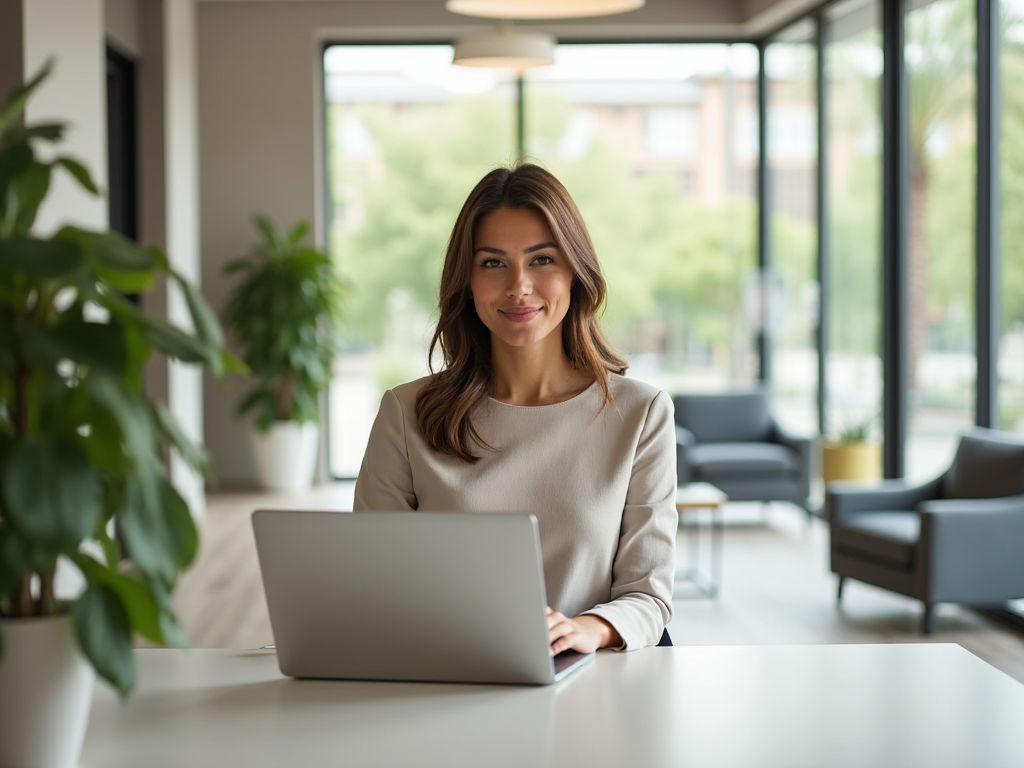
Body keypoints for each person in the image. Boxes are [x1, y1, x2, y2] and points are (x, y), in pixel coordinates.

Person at [354, 163, 677, 654]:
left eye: (542, 260)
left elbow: (648, 595)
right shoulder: (405, 413)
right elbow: (369, 583)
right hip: (445, 677)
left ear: (576, 270)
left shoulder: (641, 414)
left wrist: (588, 629)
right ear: (467, 279)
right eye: (492, 263)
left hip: (588, 689)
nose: (519, 286)